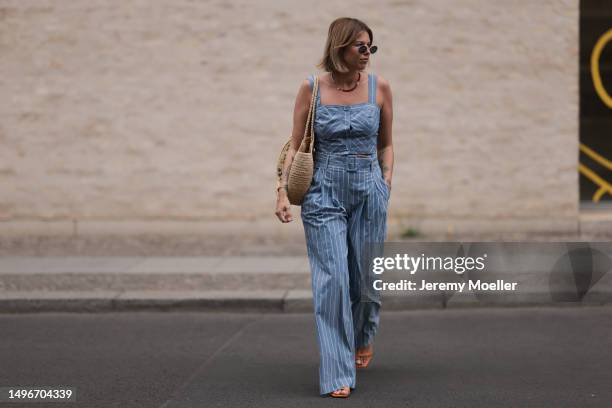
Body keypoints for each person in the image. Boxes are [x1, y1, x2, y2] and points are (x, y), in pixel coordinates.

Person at [274, 17, 394, 398]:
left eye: (371, 48)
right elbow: (296, 144)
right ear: (339, 46)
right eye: (362, 47)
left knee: (364, 278)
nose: (367, 55)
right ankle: (336, 372)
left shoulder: (380, 88)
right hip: (323, 190)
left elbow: (386, 143)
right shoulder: (311, 88)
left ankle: (362, 336)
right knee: (333, 281)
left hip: (368, 189)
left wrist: (385, 182)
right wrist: (281, 190)